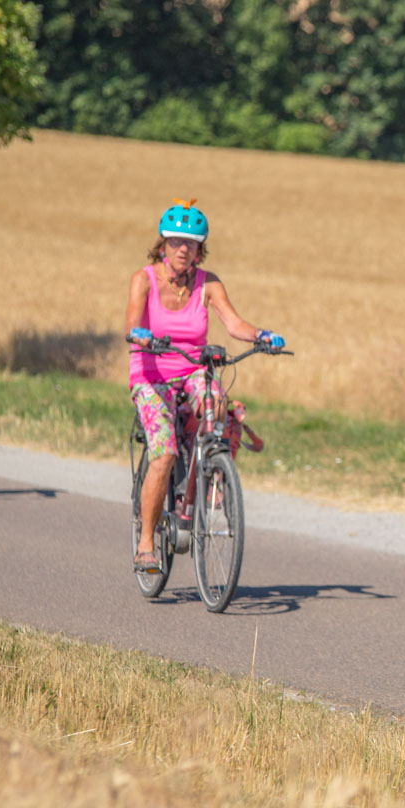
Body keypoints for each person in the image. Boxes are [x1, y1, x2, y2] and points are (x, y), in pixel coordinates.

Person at [126, 200, 284, 573]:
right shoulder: (144, 279)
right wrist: (141, 335)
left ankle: (212, 472)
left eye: (191, 243)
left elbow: (233, 323)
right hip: (151, 374)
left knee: (218, 402)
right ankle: (146, 543)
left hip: (193, 369)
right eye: (176, 241)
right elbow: (132, 322)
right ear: (163, 244)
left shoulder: (207, 283)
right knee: (164, 453)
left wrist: (261, 335)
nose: (183, 249)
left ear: (200, 248)